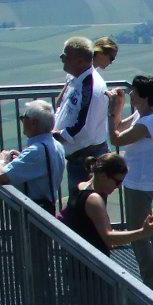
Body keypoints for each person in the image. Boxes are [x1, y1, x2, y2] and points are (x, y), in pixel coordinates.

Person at [108, 74, 153, 288]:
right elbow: (118, 127)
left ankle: (151, 281)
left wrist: (112, 109)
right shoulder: (148, 116)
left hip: (141, 183)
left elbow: (115, 138)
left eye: (134, 91)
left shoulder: (147, 123)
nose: (131, 93)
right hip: (148, 180)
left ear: (142, 97)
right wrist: (117, 109)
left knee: (138, 233)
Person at [56, 152, 153, 256]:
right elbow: (109, 239)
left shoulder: (80, 186)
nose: (119, 186)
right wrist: (143, 232)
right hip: (93, 262)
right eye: (117, 181)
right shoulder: (93, 200)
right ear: (103, 176)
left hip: (77, 257)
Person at [53, 36, 110, 197]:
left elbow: (85, 127)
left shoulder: (91, 87)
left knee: (86, 207)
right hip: (77, 155)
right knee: (79, 206)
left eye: (65, 56)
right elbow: (63, 106)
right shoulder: (76, 79)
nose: (61, 58)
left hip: (86, 158)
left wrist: (58, 135)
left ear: (80, 62)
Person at [0, 99, 64, 212]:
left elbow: (1, 178)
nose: (21, 121)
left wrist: (1, 160)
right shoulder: (57, 145)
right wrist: (22, 158)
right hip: (47, 206)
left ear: (34, 123)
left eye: (23, 118)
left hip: (32, 211)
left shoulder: (35, 152)